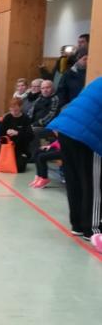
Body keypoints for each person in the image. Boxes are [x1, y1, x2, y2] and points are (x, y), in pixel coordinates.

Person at [49, 76, 102, 246]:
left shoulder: (98, 81)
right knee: (93, 184)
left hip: (66, 129)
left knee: (75, 180)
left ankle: (78, 224)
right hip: (86, 134)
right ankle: (93, 229)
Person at [0, 98, 33, 171]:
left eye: (16, 110)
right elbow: (0, 135)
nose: (13, 112)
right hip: (7, 147)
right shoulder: (7, 117)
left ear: (20, 108)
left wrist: (17, 133)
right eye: (11, 110)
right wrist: (6, 134)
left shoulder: (25, 118)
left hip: (19, 148)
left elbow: (30, 136)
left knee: (20, 168)